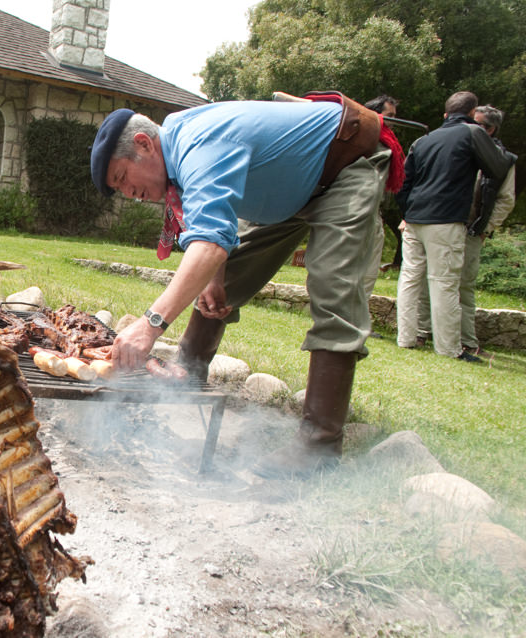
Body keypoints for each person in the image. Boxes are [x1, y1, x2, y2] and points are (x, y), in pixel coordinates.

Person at [89, 93, 398, 478]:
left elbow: (211, 243)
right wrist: (216, 278)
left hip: (342, 166)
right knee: (218, 275)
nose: (128, 193)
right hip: (291, 188)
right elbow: (211, 224)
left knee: (334, 291)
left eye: (122, 179)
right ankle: (187, 375)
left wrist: (150, 323)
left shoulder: (198, 145)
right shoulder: (177, 156)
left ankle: (318, 447)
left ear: (143, 144)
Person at [394, 92, 516, 362]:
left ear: (445, 114)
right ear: (472, 113)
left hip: (414, 219)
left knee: (409, 279)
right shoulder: (472, 133)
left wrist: (408, 211)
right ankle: (449, 349)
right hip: (446, 219)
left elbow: (403, 182)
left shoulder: (423, 140)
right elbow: (498, 167)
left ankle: (405, 339)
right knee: (444, 282)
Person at [364, 95, 406, 274]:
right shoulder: (367, 140)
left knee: (368, 273)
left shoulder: (388, 142)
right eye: (390, 115)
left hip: (374, 213)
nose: (394, 121)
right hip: (361, 212)